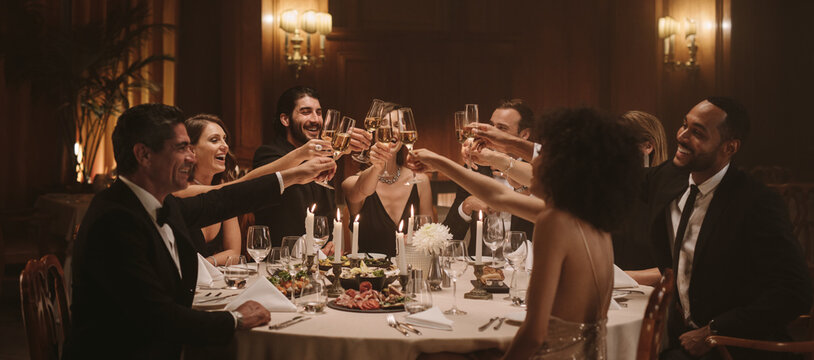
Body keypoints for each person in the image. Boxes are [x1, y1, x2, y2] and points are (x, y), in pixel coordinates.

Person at [65, 103, 336, 358]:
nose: (191, 157)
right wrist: (235, 318)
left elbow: (222, 201)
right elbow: (157, 317)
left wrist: (294, 176)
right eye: (181, 148)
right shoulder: (115, 220)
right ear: (144, 155)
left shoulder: (160, 202)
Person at [410, 107, 643, 358]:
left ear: (562, 169)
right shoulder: (589, 219)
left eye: (543, 156)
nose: (535, 163)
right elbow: (497, 195)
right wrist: (438, 161)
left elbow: (534, 335)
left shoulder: (554, 222)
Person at [641, 98, 812, 359]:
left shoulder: (756, 202)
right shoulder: (671, 177)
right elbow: (623, 181)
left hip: (737, 345)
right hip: (679, 333)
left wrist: (713, 330)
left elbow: (795, 292)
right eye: (684, 125)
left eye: (697, 132)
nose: (682, 136)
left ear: (729, 147)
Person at [253, 86, 371, 250]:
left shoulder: (324, 159)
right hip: (280, 261)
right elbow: (259, 183)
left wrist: (329, 247)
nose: (316, 119)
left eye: (318, 112)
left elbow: (326, 216)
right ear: (285, 119)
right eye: (306, 112)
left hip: (319, 263)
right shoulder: (268, 154)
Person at [443, 99, 536, 254]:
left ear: (524, 134)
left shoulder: (537, 171)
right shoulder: (475, 168)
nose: (491, 133)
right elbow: (449, 237)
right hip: (481, 269)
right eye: (492, 126)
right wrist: (467, 205)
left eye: (501, 128)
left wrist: (519, 188)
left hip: (524, 267)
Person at [342, 138, 432, 256]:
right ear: (372, 134)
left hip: (410, 270)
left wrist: (418, 240)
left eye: (396, 125)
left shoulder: (421, 180)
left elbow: (430, 237)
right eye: (384, 124)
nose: (391, 131)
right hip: (370, 272)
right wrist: (377, 167)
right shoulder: (351, 183)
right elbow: (362, 190)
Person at [173, 114, 241, 266]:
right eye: (214, 140)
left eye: (225, 139)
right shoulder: (178, 191)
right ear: (191, 150)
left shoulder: (224, 187)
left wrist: (205, 265)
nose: (225, 146)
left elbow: (235, 253)